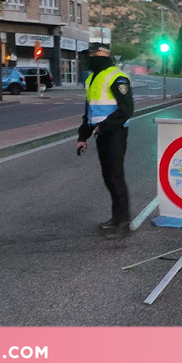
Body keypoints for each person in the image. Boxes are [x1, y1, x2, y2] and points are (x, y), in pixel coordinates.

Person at [76, 43, 134, 240]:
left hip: (116, 134)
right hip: (101, 134)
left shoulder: (116, 76)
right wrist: (82, 137)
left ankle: (124, 222)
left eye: (90, 55)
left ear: (100, 56)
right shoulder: (91, 78)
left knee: (116, 176)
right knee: (108, 177)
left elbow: (127, 109)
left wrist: (104, 127)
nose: (88, 58)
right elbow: (91, 111)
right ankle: (116, 217)